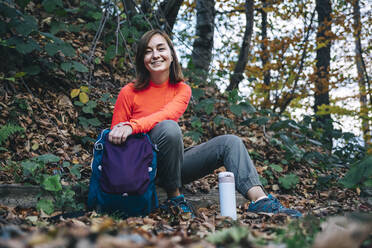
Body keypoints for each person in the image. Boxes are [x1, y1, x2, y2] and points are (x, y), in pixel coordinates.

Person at [108, 29, 302, 218]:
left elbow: (166, 114)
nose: (155, 55)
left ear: (172, 55)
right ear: (142, 59)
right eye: (148, 51)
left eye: (161, 49)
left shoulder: (181, 90)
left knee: (230, 142)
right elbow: (115, 142)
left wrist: (132, 126)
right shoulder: (129, 92)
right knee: (170, 128)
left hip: (171, 166)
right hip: (138, 168)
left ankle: (260, 200)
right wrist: (125, 130)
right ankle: (175, 198)